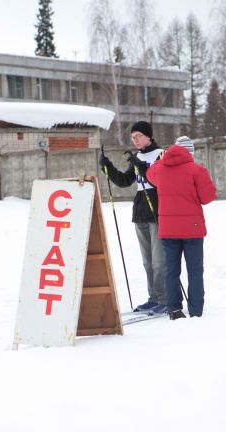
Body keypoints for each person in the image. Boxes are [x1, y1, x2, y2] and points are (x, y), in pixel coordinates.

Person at [139, 135, 216, 320]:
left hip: (168, 229)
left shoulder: (159, 169)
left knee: (171, 270)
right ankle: (196, 310)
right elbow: (208, 198)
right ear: (191, 153)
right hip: (193, 228)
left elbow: (149, 176)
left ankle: (174, 309)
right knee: (195, 270)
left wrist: (160, 161)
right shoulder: (198, 170)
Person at [99, 121, 166, 313]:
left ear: (148, 136)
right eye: (132, 137)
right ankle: (153, 297)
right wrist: (108, 167)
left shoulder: (160, 154)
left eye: (138, 136)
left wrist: (142, 166)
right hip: (141, 211)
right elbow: (124, 181)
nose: (135, 140)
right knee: (147, 261)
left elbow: (160, 180)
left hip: (157, 210)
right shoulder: (138, 156)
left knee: (159, 261)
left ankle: (164, 298)